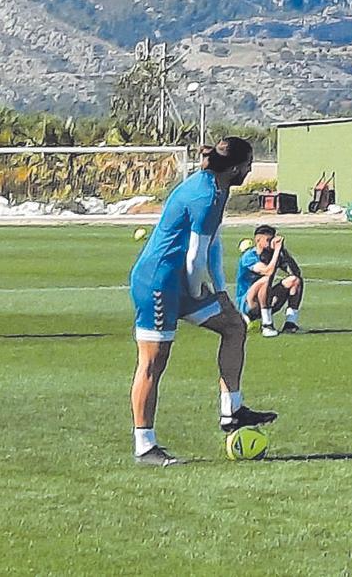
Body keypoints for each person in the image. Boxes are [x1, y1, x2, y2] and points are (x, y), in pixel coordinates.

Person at [128, 137, 278, 466]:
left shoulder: (217, 188)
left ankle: (232, 411)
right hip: (159, 283)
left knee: (235, 326)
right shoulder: (206, 194)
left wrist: (221, 293)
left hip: (181, 283)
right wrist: (199, 293)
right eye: (249, 164)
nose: (251, 170)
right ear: (236, 167)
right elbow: (196, 258)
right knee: (153, 363)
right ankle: (145, 445)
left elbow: (213, 244)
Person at [234, 225, 304, 338]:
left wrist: (283, 251)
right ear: (258, 240)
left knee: (294, 280)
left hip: (267, 298)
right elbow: (268, 271)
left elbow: (295, 272)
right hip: (248, 303)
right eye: (268, 240)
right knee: (265, 279)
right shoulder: (249, 256)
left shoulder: (272, 255)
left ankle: (290, 323)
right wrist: (276, 252)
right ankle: (267, 325)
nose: (271, 242)